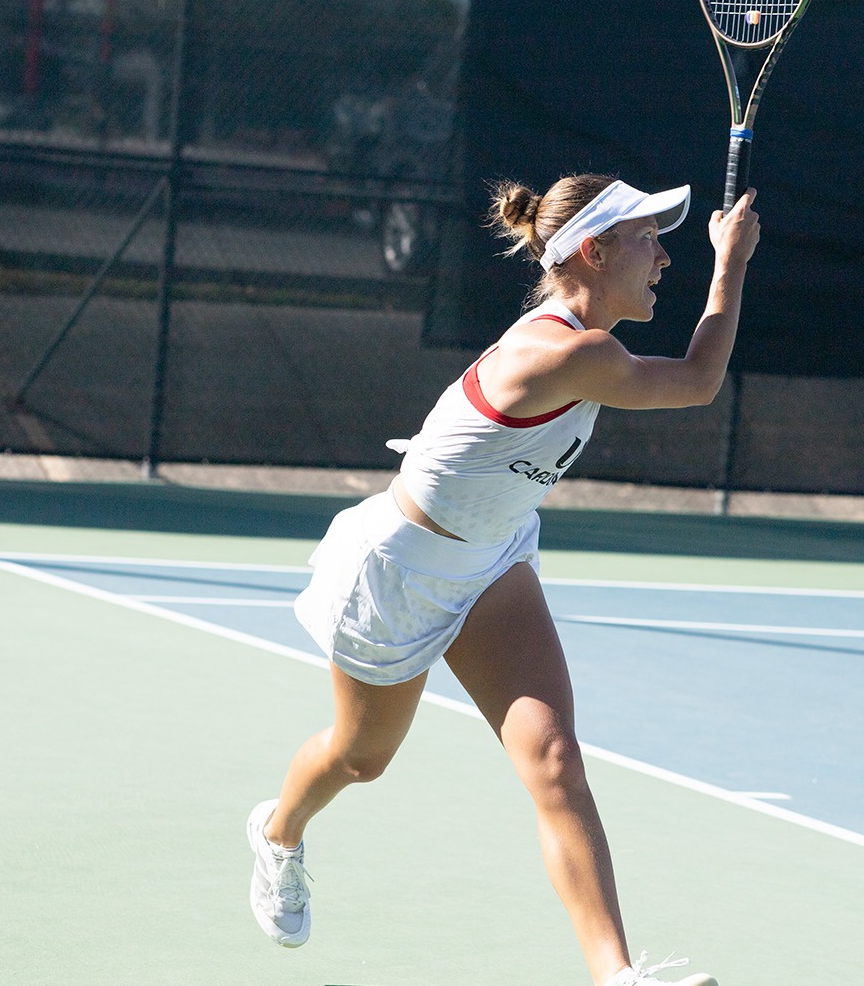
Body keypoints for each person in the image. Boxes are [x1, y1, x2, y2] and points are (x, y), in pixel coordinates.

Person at [246, 173, 760, 986]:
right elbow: (698, 381)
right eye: (646, 240)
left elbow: (690, 380)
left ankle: (615, 976)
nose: (664, 257)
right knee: (359, 758)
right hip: (404, 570)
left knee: (555, 761)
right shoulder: (574, 352)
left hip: (495, 559)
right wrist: (730, 261)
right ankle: (277, 834)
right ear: (593, 250)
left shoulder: (586, 334)